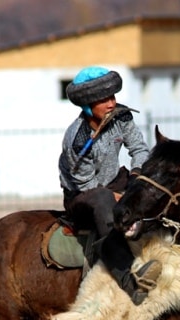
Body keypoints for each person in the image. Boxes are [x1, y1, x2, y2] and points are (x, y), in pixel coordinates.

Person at [58, 66, 160, 305]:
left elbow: (139, 149)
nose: (111, 103)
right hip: (82, 194)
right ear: (87, 105)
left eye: (112, 97)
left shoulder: (122, 117)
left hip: (117, 182)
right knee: (104, 200)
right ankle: (129, 281)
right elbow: (87, 183)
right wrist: (118, 198)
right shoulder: (76, 139)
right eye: (103, 99)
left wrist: (136, 177)